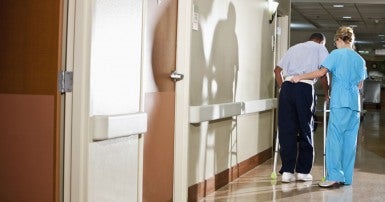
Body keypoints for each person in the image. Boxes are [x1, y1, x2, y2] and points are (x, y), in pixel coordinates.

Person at [291, 26, 367, 188]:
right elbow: (360, 85)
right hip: (354, 106)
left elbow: (320, 73)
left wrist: (300, 77)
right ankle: (346, 178)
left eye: (335, 42)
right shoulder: (360, 60)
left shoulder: (336, 54)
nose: (335, 45)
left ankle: (333, 176)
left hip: (340, 103)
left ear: (339, 40)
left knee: (334, 141)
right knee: (349, 143)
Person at [274, 33, 329, 183]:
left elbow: (277, 71)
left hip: (287, 87)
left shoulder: (293, 48)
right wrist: (326, 94)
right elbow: (324, 73)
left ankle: (287, 171)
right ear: (321, 42)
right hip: (304, 88)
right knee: (306, 127)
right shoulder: (320, 48)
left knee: (287, 129)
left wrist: (283, 87)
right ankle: (303, 172)